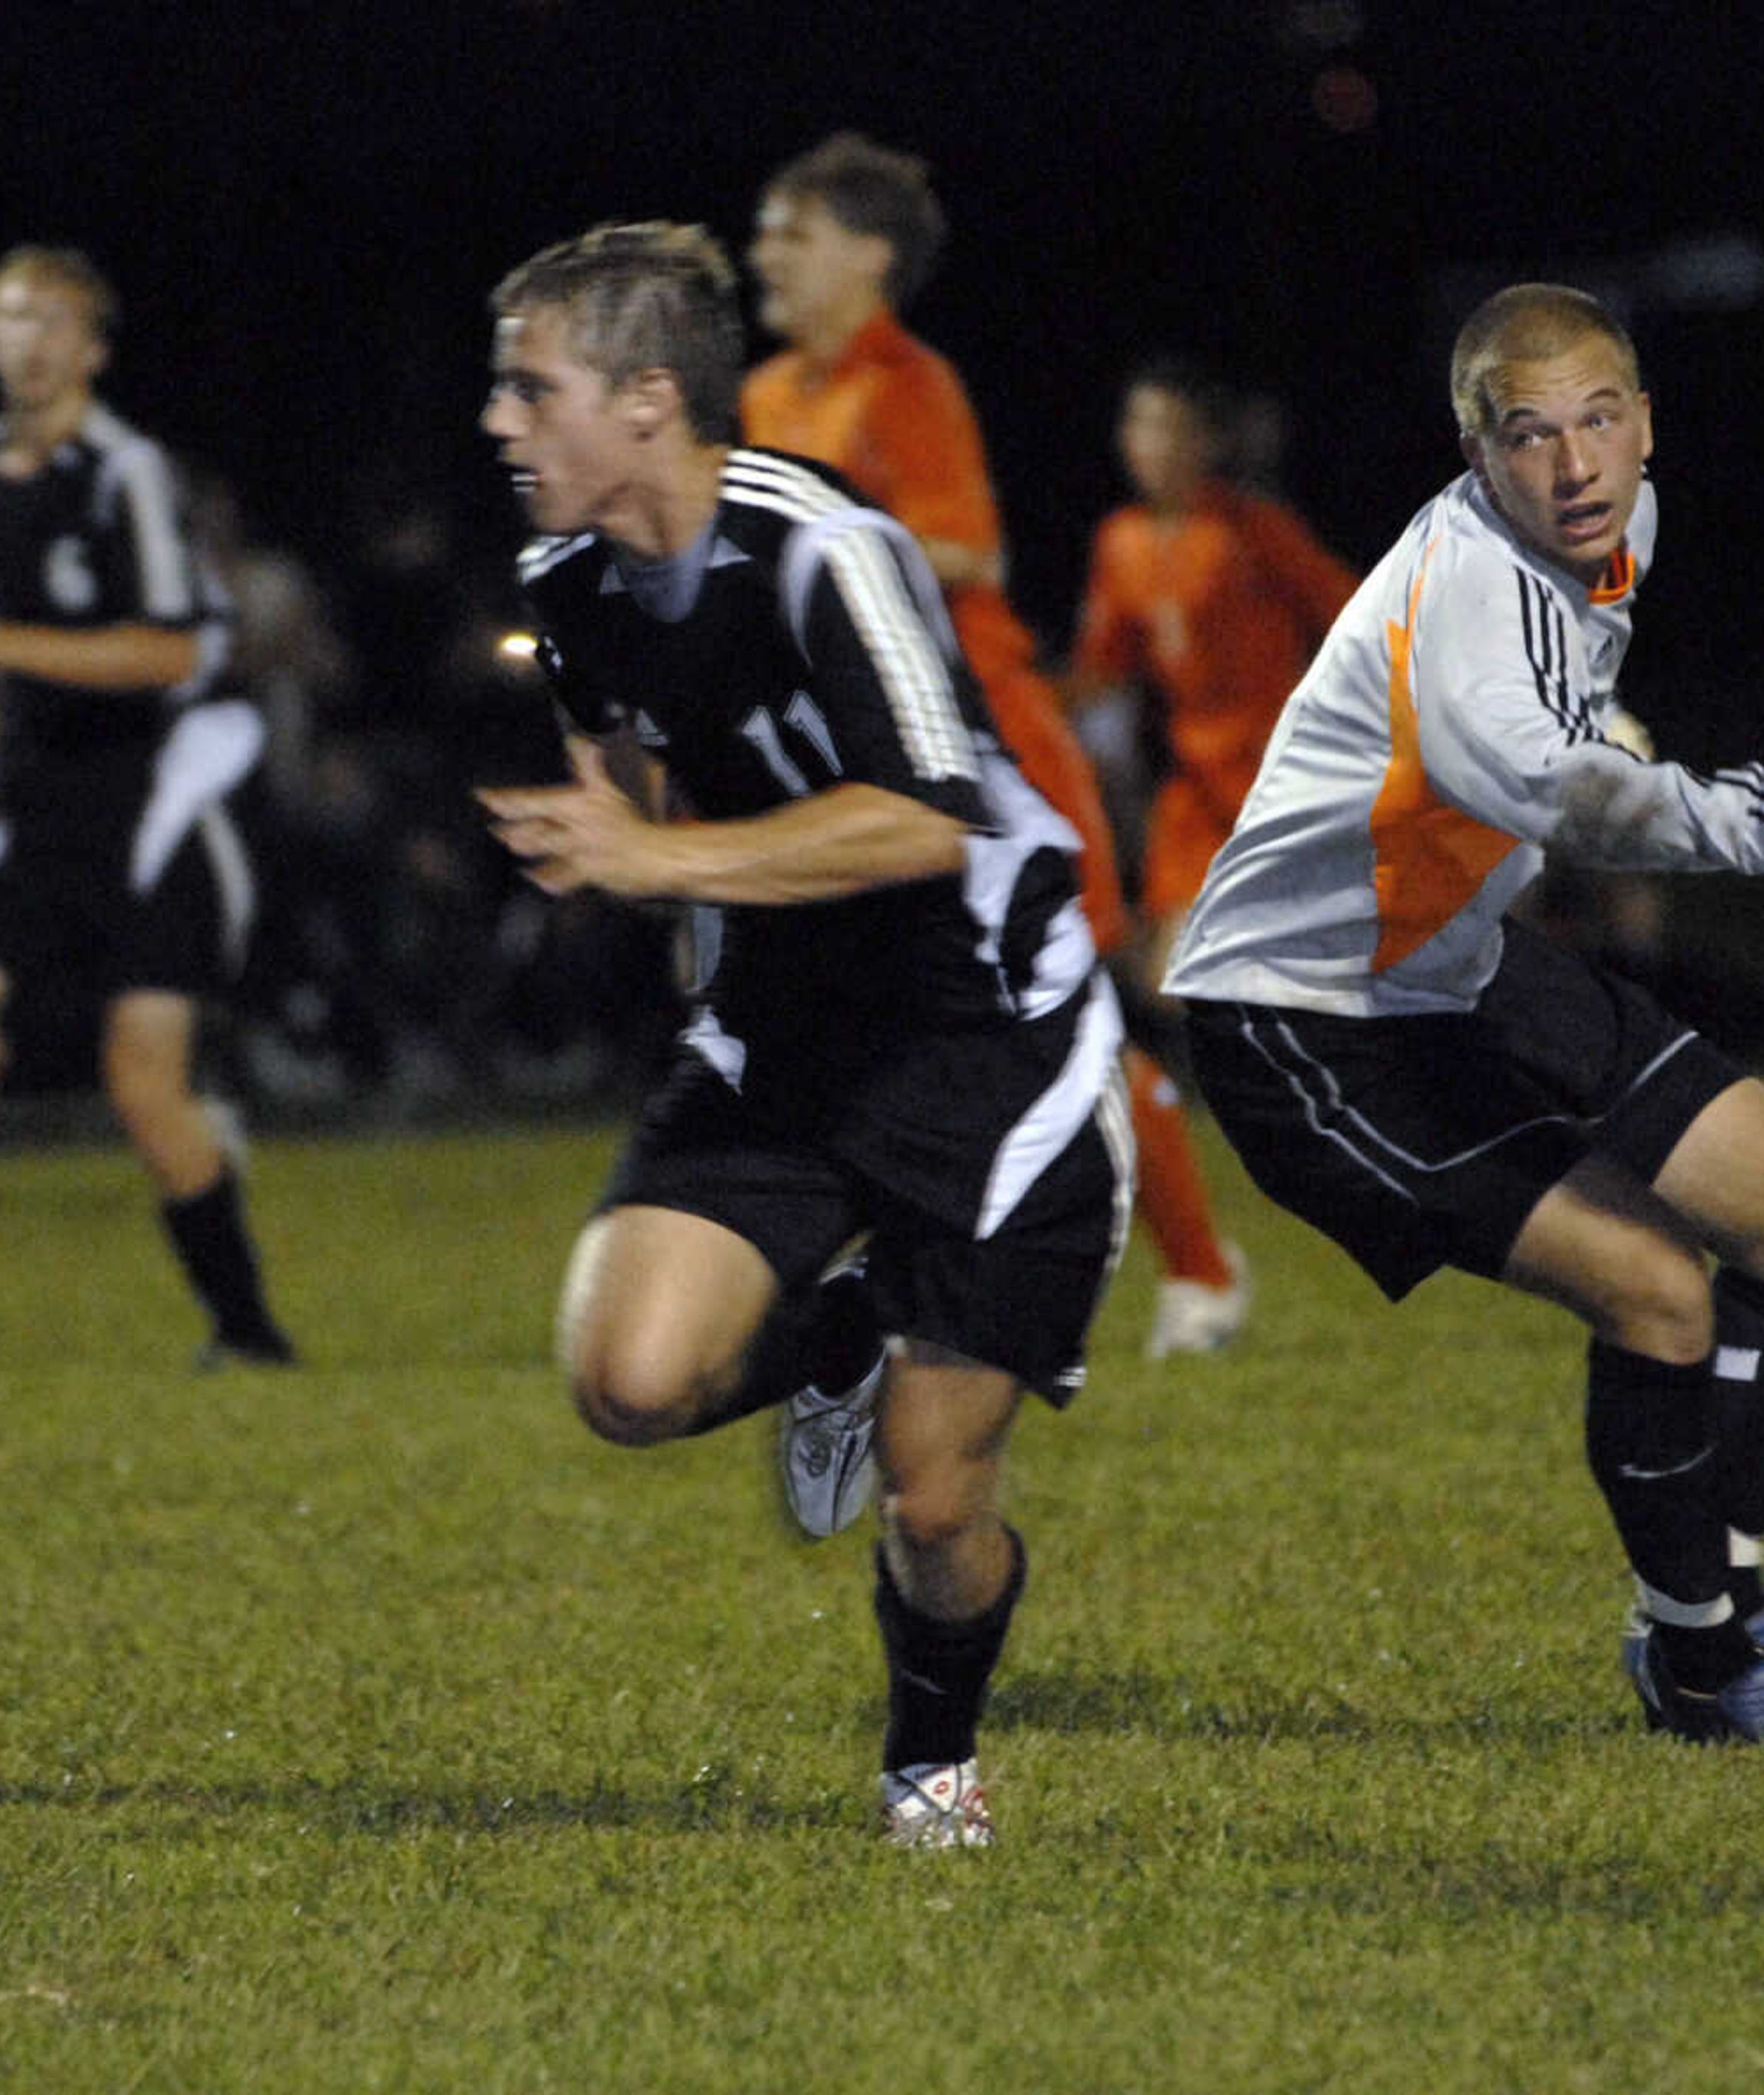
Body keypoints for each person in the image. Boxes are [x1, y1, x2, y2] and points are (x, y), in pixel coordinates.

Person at [1165, 283, 1764, 1752]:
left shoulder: (1618, 527)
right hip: (1307, 1013)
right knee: (1657, 1286)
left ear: (1648, 422)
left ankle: (1724, 1604)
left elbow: (1564, 741)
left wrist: (1600, 740)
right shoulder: (1466, 582)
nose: (1575, 464)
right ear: (1479, 453)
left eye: (1602, 420)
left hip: (1456, 959)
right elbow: (1555, 790)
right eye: (1531, 435)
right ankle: (1702, 1667)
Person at [475, 222, 1130, 1846]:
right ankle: (834, 1332)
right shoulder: (566, 581)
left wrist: (655, 858)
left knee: (930, 1495)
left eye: (527, 387)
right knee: (626, 1380)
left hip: (987, 1041)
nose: (499, 423)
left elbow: (923, 820)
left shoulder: (827, 546)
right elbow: (629, 781)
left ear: (644, 400)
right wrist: (602, 835)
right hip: (782, 1026)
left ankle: (930, 1763)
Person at [738, 132, 1249, 1368]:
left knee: (1072, 1023)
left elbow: (971, 556)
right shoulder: (763, 397)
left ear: (866, 255)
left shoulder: (905, 384)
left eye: (790, 232)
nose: (765, 253)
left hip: (989, 750)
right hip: (859, 756)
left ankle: (1200, 1265)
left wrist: (812, 547)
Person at [0, 244, 296, 1366]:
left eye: (57, 321)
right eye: (13, 316)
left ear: (95, 350)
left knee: (141, 1086)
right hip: (42, 803)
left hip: (161, 801)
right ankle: (177, 1097)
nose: (33, 339)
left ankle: (248, 1335)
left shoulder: (129, 472)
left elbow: (167, 649)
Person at [1069, 358, 1359, 997]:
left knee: (1312, 974)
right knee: (1170, 978)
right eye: (1141, 426)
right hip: (1196, 787)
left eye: (1173, 428)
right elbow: (1102, 669)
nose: (1154, 445)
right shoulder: (1121, 541)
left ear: (1206, 443)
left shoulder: (1252, 528)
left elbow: (1354, 612)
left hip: (1283, 777)